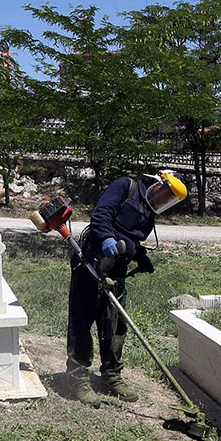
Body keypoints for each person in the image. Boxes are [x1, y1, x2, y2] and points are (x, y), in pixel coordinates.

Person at [67, 170, 187, 407]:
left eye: (169, 201)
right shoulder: (126, 187)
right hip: (92, 260)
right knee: (82, 320)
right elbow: (101, 214)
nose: (164, 202)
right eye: (165, 195)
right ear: (157, 183)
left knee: (115, 323)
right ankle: (78, 378)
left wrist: (140, 254)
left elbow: (132, 235)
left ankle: (111, 375)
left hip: (117, 268)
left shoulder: (150, 209)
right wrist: (106, 238)